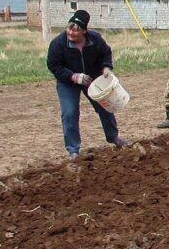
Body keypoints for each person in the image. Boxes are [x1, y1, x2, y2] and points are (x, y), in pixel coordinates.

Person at [46, 10, 127, 160]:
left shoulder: (95, 39)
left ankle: (113, 137)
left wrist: (106, 67)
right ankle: (73, 149)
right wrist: (73, 76)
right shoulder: (58, 44)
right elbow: (53, 65)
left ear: (84, 31)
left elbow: (106, 53)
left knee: (104, 106)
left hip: (92, 78)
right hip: (68, 82)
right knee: (69, 112)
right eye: (70, 28)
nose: (71, 32)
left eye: (76, 30)